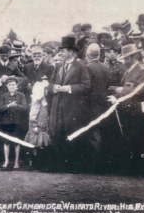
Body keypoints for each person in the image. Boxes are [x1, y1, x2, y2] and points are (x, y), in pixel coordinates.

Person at [48, 36, 91, 172]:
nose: (61, 53)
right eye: (61, 51)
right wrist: (53, 88)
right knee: (57, 135)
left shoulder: (81, 67)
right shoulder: (59, 66)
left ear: (72, 52)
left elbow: (86, 86)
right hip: (58, 107)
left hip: (73, 109)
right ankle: (58, 165)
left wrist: (68, 88)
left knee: (72, 135)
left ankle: (72, 166)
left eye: (64, 50)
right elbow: (50, 84)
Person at [107, 44, 144, 170]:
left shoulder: (142, 70)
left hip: (136, 109)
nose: (124, 61)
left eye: (126, 58)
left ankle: (137, 167)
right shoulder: (128, 70)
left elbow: (141, 90)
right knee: (127, 137)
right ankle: (130, 167)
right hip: (126, 108)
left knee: (136, 137)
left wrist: (120, 89)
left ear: (134, 56)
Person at [0, 45, 26, 158]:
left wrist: (13, 79)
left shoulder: (13, 66)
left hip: (12, 102)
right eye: (3, 55)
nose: (5, 57)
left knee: (11, 127)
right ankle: (0, 155)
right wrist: (0, 81)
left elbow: (24, 79)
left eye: (7, 55)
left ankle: (11, 155)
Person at [85, 43, 110, 168]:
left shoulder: (88, 67)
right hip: (104, 105)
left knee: (93, 133)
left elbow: (86, 88)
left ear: (88, 54)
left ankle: (94, 163)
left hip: (91, 105)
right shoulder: (105, 67)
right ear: (99, 54)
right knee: (101, 132)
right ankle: (102, 162)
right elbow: (107, 86)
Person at [0, 77, 28, 169]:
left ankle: (16, 163)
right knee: (6, 142)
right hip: (6, 122)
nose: (11, 86)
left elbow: (25, 107)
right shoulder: (4, 96)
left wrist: (16, 105)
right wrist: (8, 106)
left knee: (16, 142)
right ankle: (6, 161)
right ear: (7, 86)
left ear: (17, 86)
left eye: (13, 85)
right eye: (10, 85)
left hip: (16, 122)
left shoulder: (21, 95)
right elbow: (0, 108)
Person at [24, 79, 52, 168]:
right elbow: (32, 115)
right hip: (36, 127)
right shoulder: (37, 101)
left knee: (41, 144)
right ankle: (33, 162)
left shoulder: (44, 101)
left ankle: (39, 162)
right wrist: (34, 125)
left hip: (43, 126)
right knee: (34, 144)